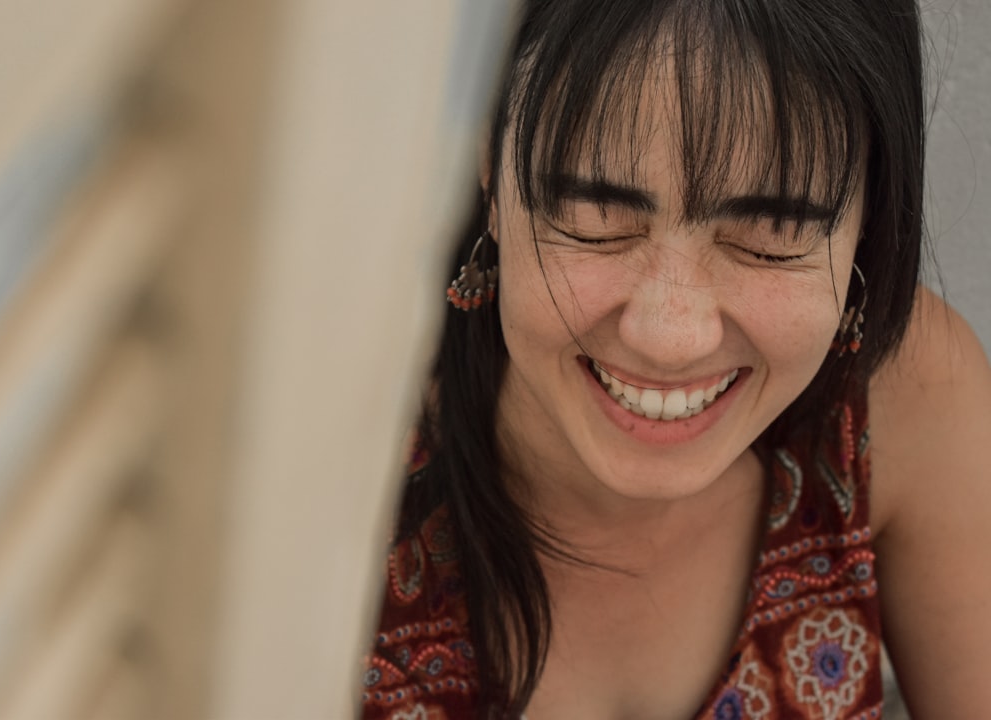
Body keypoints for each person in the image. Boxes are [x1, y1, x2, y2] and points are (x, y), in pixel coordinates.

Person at [361, 1, 991, 718]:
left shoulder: (912, 400)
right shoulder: (326, 460)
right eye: (597, 221)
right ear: (487, 165)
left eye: (768, 235)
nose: (671, 335)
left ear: (868, 217)